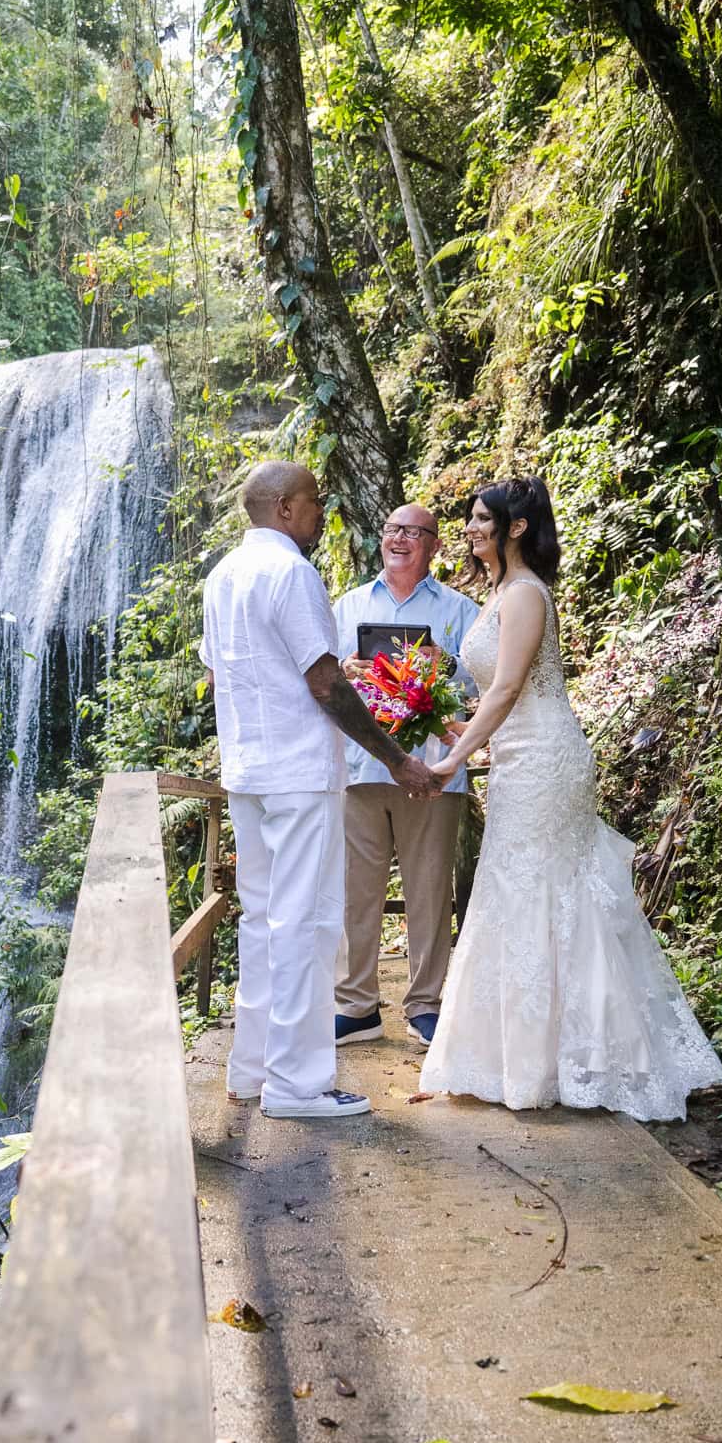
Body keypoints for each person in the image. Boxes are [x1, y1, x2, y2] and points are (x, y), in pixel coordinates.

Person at [421, 476, 722, 1117]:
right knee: (512, 887)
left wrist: (454, 755)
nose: (470, 528)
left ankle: (590, 1058)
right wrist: (433, 718)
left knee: (548, 888)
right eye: (470, 519)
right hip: (513, 756)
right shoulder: (498, 591)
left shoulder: (527, 593)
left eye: (481, 519)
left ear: (517, 527)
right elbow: (496, 699)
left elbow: (506, 692)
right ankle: (517, 1057)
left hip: (547, 760)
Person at [200, 461, 435, 1122]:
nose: (320, 511)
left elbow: (220, 678)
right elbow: (326, 684)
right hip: (299, 774)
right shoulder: (291, 574)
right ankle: (298, 1087)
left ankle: (251, 1071)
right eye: (312, 501)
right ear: (281, 508)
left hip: (247, 773)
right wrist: (395, 759)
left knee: (262, 921)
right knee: (303, 925)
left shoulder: (223, 577)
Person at [333, 505, 480, 1050]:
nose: (400, 539)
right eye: (393, 529)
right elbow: (319, 677)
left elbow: (482, 683)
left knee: (429, 890)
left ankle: (425, 1005)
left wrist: (444, 664)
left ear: (435, 546)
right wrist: (347, 669)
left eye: (414, 532)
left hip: (433, 771)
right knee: (355, 892)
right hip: (360, 767)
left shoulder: (461, 610)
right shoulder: (346, 605)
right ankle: (355, 1006)